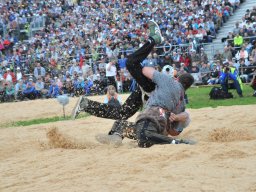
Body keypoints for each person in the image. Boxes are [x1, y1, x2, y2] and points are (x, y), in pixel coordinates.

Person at [72, 21, 194, 147]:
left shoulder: (176, 95)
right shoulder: (180, 100)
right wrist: (176, 119)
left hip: (151, 97)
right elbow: (178, 127)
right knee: (131, 65)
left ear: (178, 79)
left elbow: (147, 71)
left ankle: (87, 105)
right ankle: (154, 39)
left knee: (123, 112)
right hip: (150, 92)